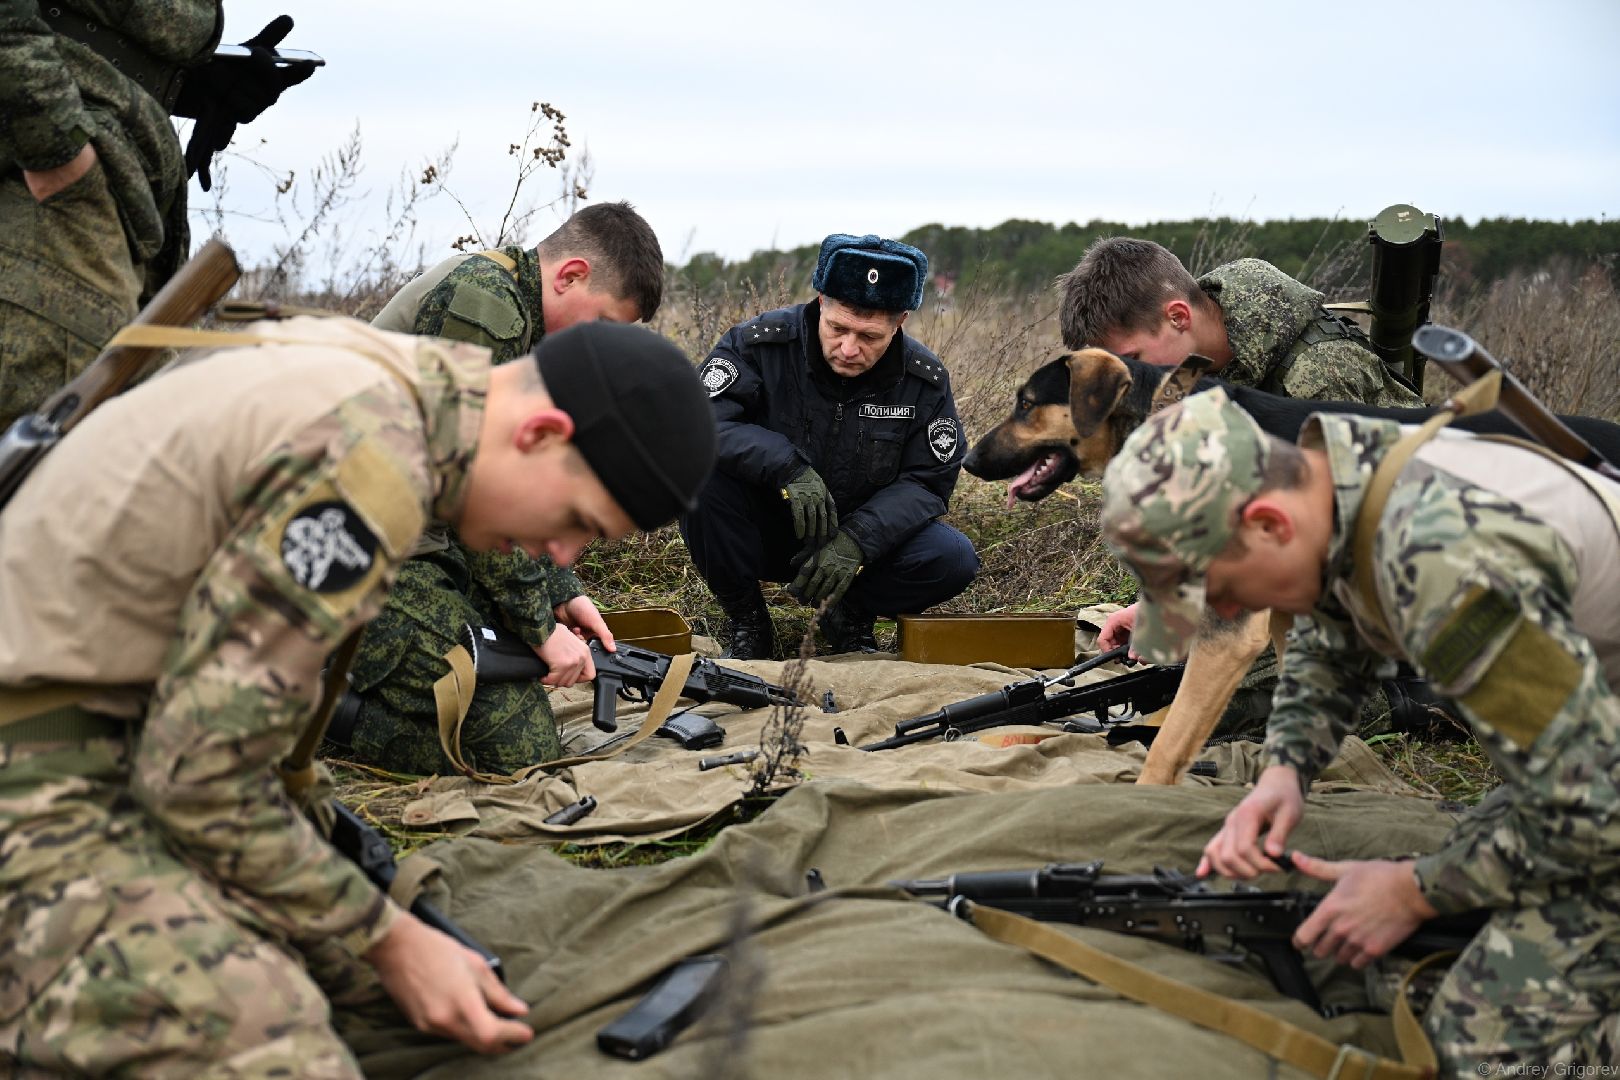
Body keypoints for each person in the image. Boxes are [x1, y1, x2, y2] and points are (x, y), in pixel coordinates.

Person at [0, 316, 717, 1075]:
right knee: (278, 1044)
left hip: (114, 729)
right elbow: (198, 784)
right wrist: (385, 934)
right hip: (43, 773)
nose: (561, 556)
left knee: (355, 970)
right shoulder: (371, 463)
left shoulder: (401, 382)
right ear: (540, 433)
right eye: (576, 523)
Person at [1099, 387, 1620, 1072]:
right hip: (1592, 736)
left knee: (1474, 1041)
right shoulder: (1336, 480)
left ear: (1267, 524)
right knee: (1464, 894)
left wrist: (1412, 889)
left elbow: (1590, 808)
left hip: (1595, 782)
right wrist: (1285, 770)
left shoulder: (1445, 564)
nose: (1229, 610)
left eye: (1220, 590)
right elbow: (1329, 632)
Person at [340, 202, 664, 776]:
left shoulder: (533, 333)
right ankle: (316, 708)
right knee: (517, 748)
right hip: (350, 549)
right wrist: (539, 625)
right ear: (569, 276)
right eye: (607, 326)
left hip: (422, 542)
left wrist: (561, 592)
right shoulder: (485, 309)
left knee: (511, 691)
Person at [1061, 237, 1423, 725]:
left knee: (1222, 700)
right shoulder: (1197, 375)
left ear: (1177, 317)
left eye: (1134, 360)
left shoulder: (1318, 377)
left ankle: (1406, 696)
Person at [0, 3, 314, 429]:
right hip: (48, 200)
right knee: (57, 456)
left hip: (112, 200)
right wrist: (53, 142)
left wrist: (194, 86)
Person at [680, 232, 979, 658]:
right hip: (767, 526)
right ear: (821, 301)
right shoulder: (758, 345)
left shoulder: (922, 379)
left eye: (870, 336)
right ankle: (747, 621)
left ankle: (850, 613)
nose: (849, 348)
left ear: (901, 321)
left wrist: (858, 540)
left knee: (952, 557)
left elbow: (928, 481)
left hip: (859, 541)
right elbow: (701, 424)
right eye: (838, 328)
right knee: (698, 482)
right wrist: (785, 466)